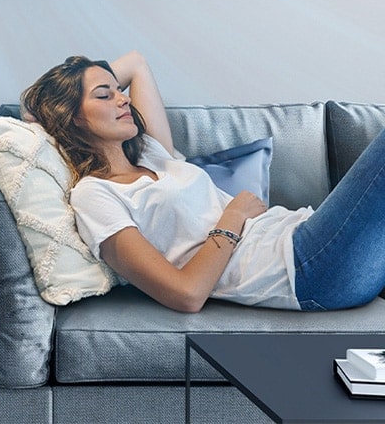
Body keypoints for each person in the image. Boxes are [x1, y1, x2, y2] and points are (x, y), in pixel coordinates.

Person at [21, 52, 385, 313]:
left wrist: (83, 87)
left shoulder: (150, 152)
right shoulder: (95, 195)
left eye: (119, 91)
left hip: (310, 235)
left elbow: (136, 62)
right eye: (105, 95)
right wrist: (234, 215)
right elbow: (187, 295)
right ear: (73, 119)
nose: (123, 99)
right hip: (304, 267)